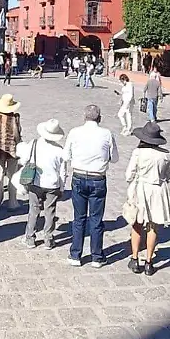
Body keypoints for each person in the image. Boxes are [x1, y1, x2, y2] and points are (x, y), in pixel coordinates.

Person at [64, 104, 118, 267]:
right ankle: (96, 256)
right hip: (98, 178)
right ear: (99, 118)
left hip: (79, 176)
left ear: (84, 117)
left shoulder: (75, 132)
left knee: (79, 218)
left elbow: (66, 155)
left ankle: (75, 254)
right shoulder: (106, 133)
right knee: (96, 219)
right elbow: (114, 158)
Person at [123, 122, 170, 276]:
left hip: (141, 188)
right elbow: (167, 176)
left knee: (137, 224)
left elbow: (128, 175)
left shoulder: (138, 153)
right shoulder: (165, 154)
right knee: (153, 227)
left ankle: (135, 258)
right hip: (158, 190)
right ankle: (149, 262)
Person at [17, 119, 69, 249]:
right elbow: (63, 171)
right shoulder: (59, 150)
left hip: (35, 182)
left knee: (33, 210)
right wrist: (62, 187)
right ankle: (48, 239)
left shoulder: (34, 144)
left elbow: (24, 160)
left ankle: (30, 238)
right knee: (50, 212)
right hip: (52, 185)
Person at [0, 94, 23, 210]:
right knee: (12, 176)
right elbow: (17, 135)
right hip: (12, 150)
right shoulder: (15, 117)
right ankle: (12, 202)